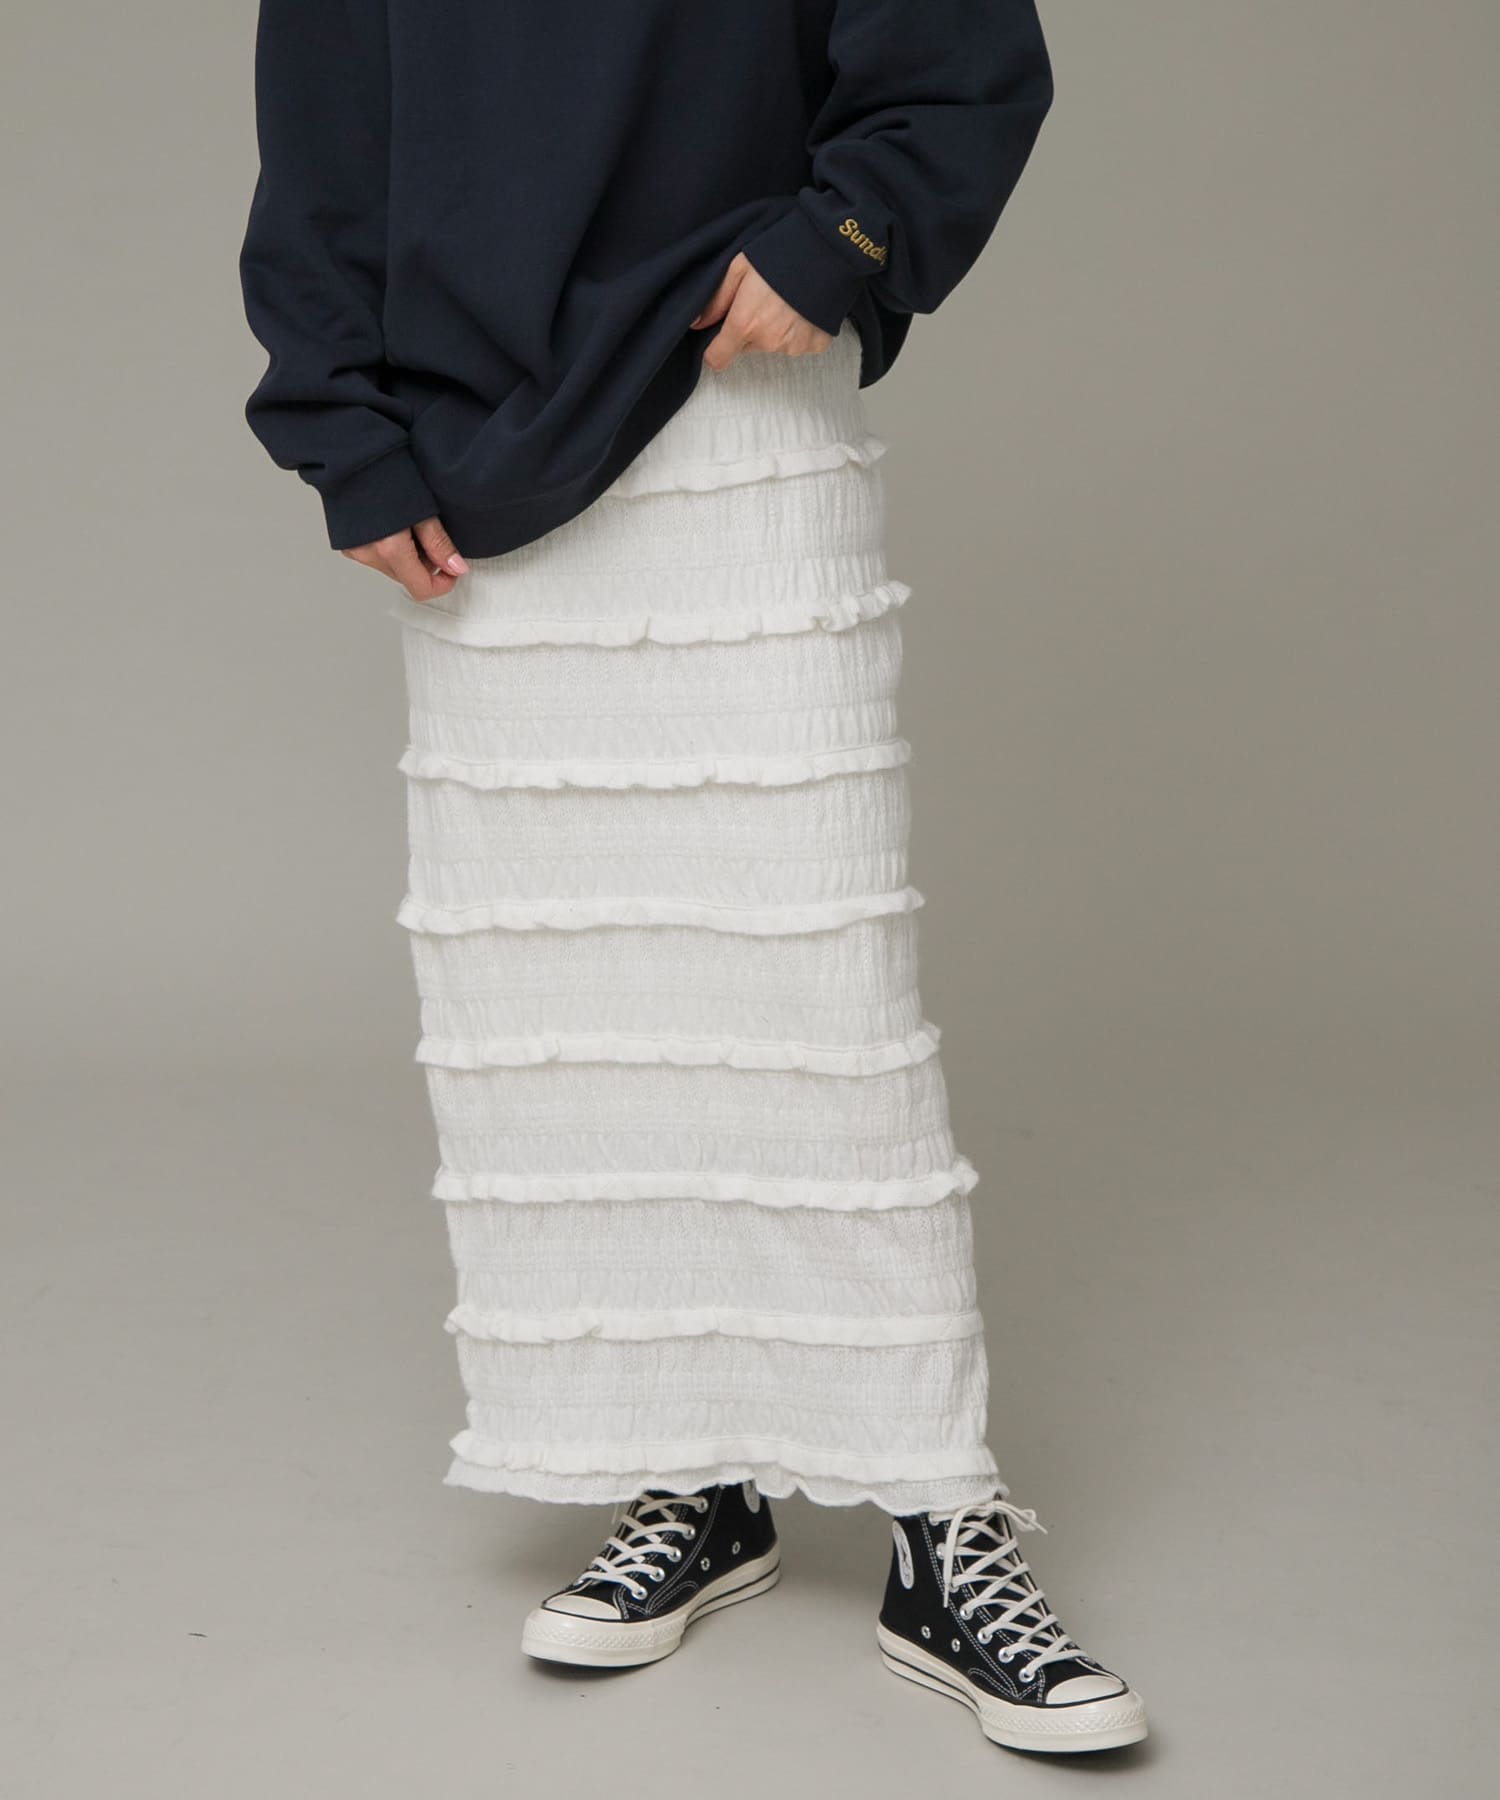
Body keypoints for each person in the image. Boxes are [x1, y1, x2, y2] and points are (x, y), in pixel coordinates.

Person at [238, 0, 1148, 1755]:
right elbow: (328, 130)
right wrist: (341, 428)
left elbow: (959, 44)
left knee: (815, 988)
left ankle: (939, 1519)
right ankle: (692, 1473)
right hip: (475, 438)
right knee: (573, 1000)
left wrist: (843, 236)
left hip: (726, 376)